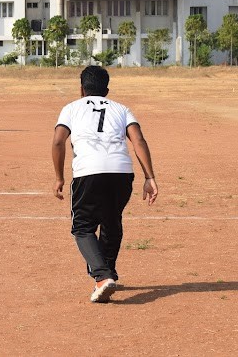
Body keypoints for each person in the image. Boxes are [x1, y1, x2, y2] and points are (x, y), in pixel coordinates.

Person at [51, 66, 159, 303]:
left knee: (82, 227)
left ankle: (102, 277)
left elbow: (58, 142)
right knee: (111, 221)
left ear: (81, 89)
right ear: (107, 90)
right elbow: (138, 140)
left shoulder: (71, 108)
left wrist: (59, 177)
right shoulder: (122, 109)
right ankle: (107, 274)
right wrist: (149, 177)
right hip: (121, 173)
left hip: (88, 172)